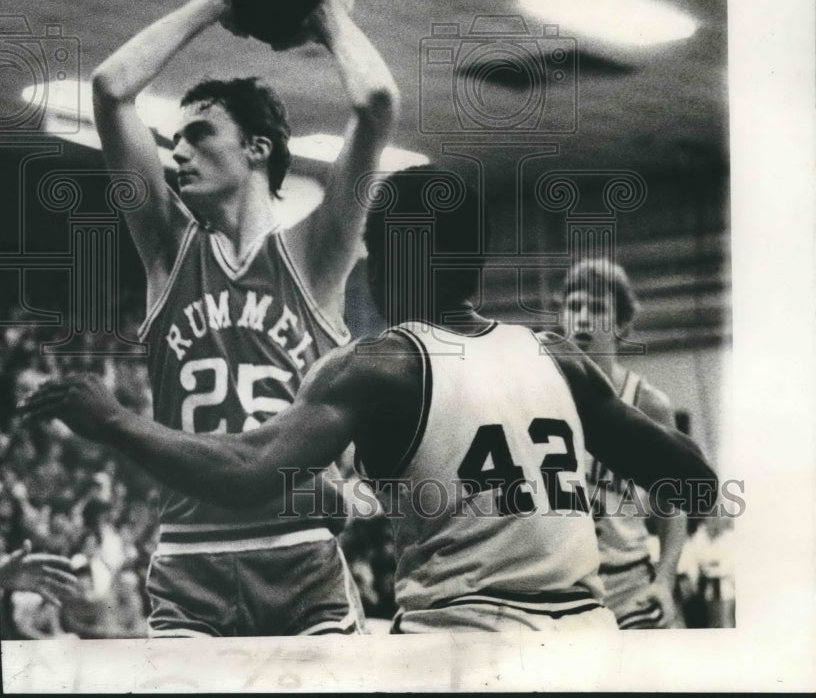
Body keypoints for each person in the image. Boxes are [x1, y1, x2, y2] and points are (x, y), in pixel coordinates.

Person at [25, 167, 717, 634]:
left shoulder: (380, 366)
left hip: (464, 646)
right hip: (588, 643)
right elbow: (694, 479)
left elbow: (243, 471)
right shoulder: (556, 356)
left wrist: (113, 421)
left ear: (385, 259)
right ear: (476, 262)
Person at [86, 0, 399, 636]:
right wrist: (213, 1)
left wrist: (325, 14)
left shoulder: (315, 253)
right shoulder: (168, 249)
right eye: (173, 143)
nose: (177, 154)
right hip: (189, 565)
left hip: (298, 561)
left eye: (198, 136)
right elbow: (110, 90)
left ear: (257, 149)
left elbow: (377, 103)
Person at [560, 258, 688, 628]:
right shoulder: (541, 392)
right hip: (560, 587)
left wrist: (665, 581)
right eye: (574, 306)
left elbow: (673, 507)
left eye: (597, 308)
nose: (582, 317)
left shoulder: (649, 403)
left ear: (622, 324)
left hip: (626, 581)